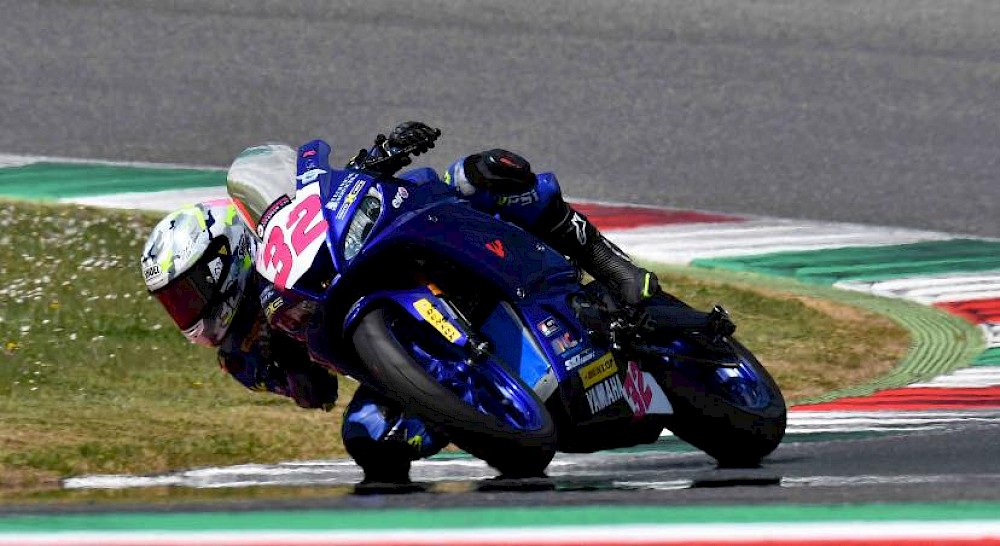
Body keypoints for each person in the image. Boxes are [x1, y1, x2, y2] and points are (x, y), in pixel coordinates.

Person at [140, 122, 734, 486]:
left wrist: (376, 159)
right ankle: (479, 411)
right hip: (404, 364)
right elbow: (316, 393)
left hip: (406, 238)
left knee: (479, 174)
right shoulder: (243, 354)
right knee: (369, 438)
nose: (187, 311)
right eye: (174, 303)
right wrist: (279, 354)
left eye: (188, 293)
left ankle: (613, 269)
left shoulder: (283, 238)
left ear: (226, 260)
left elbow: (319, 198)